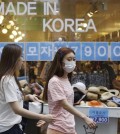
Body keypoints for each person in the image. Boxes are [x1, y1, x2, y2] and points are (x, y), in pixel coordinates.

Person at [0, 44, 53, 134]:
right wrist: (42, 117)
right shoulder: (7, 80)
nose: (22, 60)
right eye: (20, 56)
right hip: (7, 129)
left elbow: (12, 100)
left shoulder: (11, 78)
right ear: (13, 59)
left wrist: (28, 97)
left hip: (13, 126)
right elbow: (17, 109)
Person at [43, 47, 96, 134]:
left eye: (74, 59)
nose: (72, 62)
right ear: (60, 61)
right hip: (58, 128)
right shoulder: (54, 81)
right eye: (69, 59)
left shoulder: (66, 79)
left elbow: (67, 102)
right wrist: (84, 117)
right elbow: (64, 104)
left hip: (69, 126)